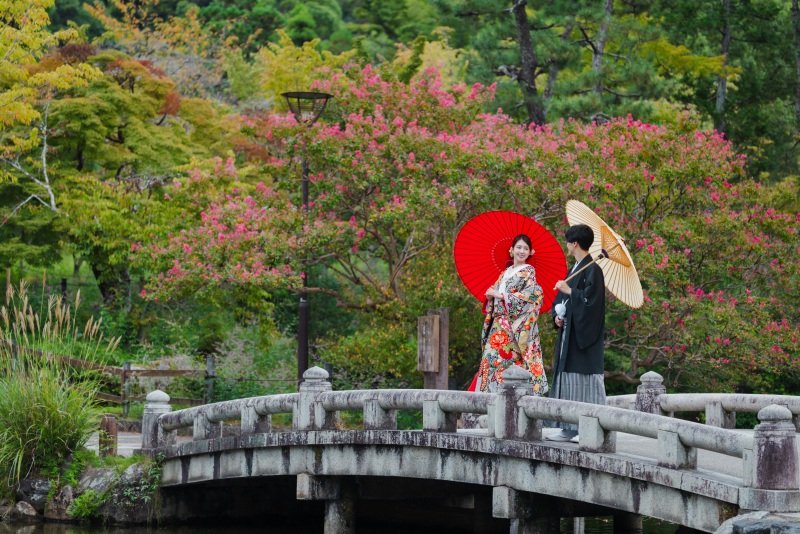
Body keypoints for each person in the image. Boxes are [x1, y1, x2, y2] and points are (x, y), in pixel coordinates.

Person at [546, 224, 606, 442]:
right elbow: (562, 301)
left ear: (575, 243)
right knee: (568, 377)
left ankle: (588, 429)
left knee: (583, 381)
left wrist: (570, 291)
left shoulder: (593, 269)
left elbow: (593, 304)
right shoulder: (576, 268)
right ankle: (569, 427)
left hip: (584, 339)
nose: (567, 246)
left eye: (568, 242)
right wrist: (557, 315)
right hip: (569, 334)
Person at [469, 234, 549, 394]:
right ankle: (486, 398)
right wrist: (491, 295)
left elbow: (533, 294)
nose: (522, 251)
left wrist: (501, 296)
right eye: (519, 247)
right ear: (511, 250)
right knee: (489, 360)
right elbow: (497, 295)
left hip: (513, 327)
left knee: (504, 361)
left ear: (530, 252)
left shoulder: (528, 271)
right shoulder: (506, 272)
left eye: (525, 248)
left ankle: (506, 397)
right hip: (497, 324)